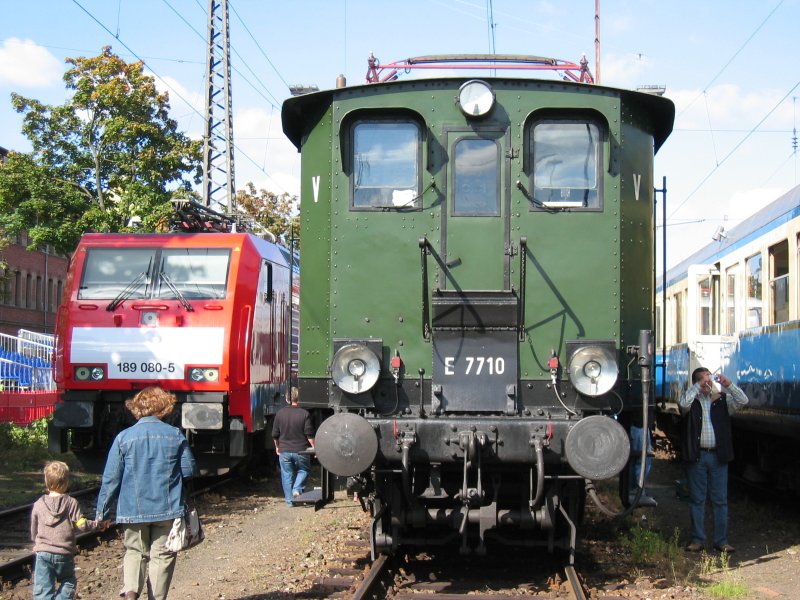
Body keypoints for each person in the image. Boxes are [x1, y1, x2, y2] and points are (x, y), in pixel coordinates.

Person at [96, 386, 198, 600]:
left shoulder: (123, 438)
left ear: (136, 409)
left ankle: (131, 594)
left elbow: (111, 478)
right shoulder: (175, 436)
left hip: (133, 510)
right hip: (167, 509)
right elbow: (189, 470)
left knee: (134, 552)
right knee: (162, 555)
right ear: (165, 408)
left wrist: (102, 513)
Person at [679, 367, 748, 553]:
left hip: (718, 456)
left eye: (709, 380)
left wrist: (728, 384)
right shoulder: (691, 403)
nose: (707, 384)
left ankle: (721, 541)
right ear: (696, 383)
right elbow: (682, 404)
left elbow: (743, 400)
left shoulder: (722, 401)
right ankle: (697, 540)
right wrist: (697, 387)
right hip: (697, 456)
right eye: (703, 380)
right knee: (697, 499)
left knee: (720, 500)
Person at [30, 461, 108, 600]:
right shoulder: (71, 502)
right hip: (64, 554)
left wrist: (36, 543)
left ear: (46, 482)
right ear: (65, 483)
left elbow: (34, 528)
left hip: (43, 553)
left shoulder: (38, 504)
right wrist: (97, 525)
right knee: (68, 581)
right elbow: (82, 524)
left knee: (43, 588)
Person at [272, 387, 315, 506]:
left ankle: (290, 502)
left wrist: (277, 446)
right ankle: (297, 488)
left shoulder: (280, 413)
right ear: (299, 398)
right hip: (301, 450)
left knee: (286, 475)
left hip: (284, 450)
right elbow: (309, 435)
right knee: (304, 470)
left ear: (286, 399)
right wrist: (315, 448)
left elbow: (275, 434)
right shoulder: (304, 413)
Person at [628, 422, 658, 507]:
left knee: (642, 461)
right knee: (640, 461)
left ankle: (637, 489)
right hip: (638, 425)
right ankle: (637, 489)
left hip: (643, 426)